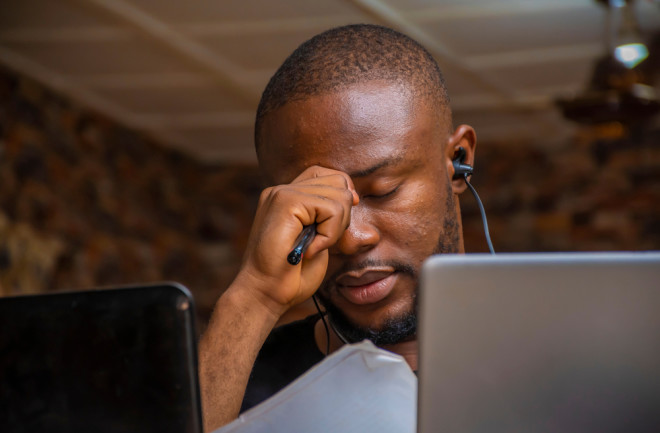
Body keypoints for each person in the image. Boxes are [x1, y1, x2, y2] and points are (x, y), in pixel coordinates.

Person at [198, 23, 477, 432]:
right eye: (315, 208)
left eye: (383, 191)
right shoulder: (235, 383)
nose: (349, 237)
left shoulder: (568, 354)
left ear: (458, 159)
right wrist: (253, 297)